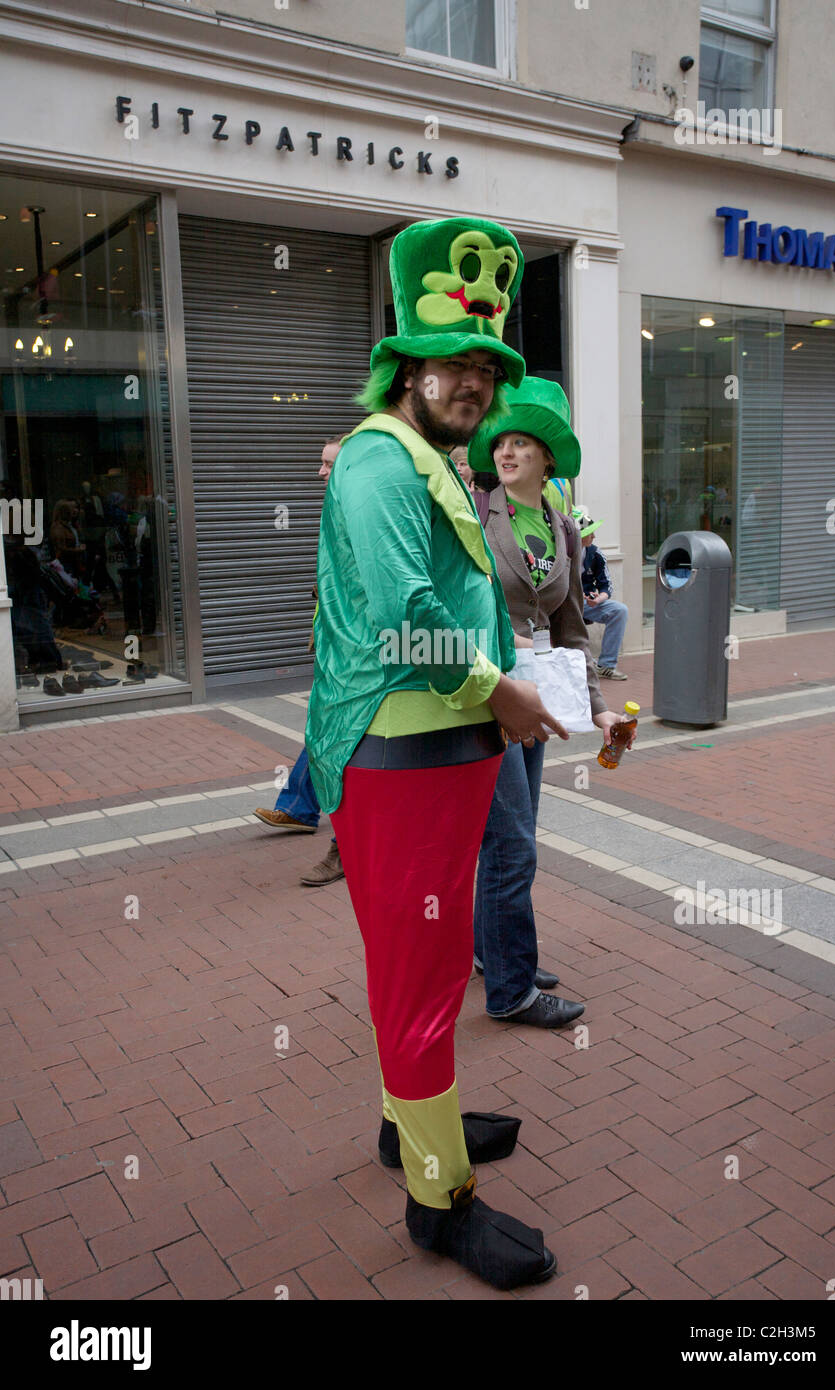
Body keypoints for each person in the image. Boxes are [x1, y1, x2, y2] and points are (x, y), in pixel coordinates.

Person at [306, 215, 570, 1290]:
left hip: (442, 759)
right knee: (419, 978)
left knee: (415, 965)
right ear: (403, 364)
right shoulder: (379, 461)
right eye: (451, 363)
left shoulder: (433, 456)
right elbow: (399, 619)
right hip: (402, 761)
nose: (470, 380)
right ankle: (436, 1199)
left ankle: (407, 1126)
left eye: (484, 365)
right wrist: (500, 690)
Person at [468, 378, 626, 1026]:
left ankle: (494, 954)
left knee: (512, 838)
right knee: (511, 846)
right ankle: (513, 992)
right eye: (501, 441)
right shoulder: (477, 512)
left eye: (522, 442)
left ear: (548, 458)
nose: (507, 452)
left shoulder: (562, 528)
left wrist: (596, 710)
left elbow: (568, 628)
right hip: (488, 693)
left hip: (540, 696)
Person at [254, 438, 345, 886]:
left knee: (338, 735)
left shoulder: (364, 508)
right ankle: (301, 810)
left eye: (328, 464)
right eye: (320, 463)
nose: (319, 472)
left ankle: (336, 837)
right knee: (325, 730)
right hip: (337, 648)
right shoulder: (337, 509)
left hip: (362, 656)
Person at [574, 507, 629, 680]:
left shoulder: (595, 553)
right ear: (580, 535)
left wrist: (598, 599)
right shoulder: (563, 552)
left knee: (620, 610)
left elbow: (606, 586)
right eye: (591, 533)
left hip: (587, 603)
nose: (594, 537)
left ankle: (606, 665)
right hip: (564, 602)